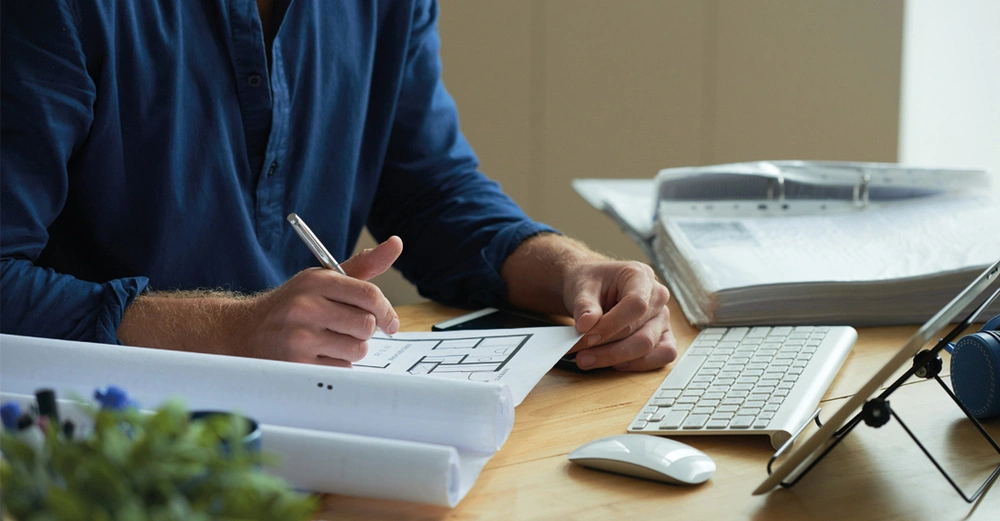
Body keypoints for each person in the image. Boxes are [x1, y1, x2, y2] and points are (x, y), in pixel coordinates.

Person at [0, 0, 677, 372]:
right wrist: (235, 329)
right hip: (93, 451)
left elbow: (431, 192)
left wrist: (577, 272)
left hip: (313, 421)